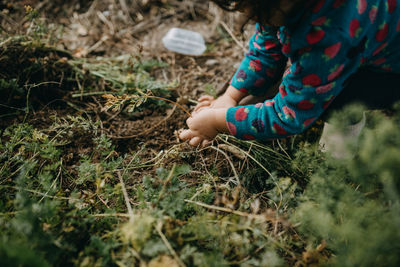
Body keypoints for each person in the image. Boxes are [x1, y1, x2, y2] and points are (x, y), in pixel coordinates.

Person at [179, 0, 400, 147]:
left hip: (393, 71)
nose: (246, 14)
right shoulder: (284, 6)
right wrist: (231, 96)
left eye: (246, 7)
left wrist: (219, 122)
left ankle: (338, 159)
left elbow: (288, 114)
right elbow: (266, 49)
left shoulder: (326, 37)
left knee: (338, 98)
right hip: (373, 36)